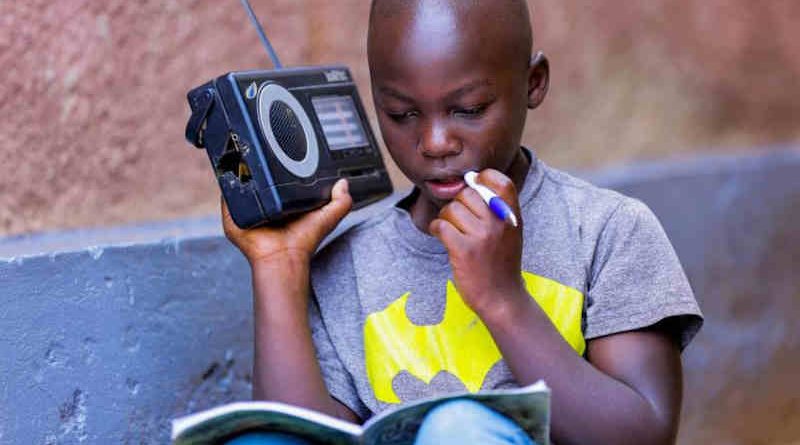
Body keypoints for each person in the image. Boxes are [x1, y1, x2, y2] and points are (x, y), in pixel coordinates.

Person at [221, 0, 703, 444]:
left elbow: (643, 435)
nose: (434, 142)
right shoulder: (348, 265)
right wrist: (279, 267)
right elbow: (301, 437)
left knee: (458, 429)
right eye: (401, 113)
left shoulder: (607, 231)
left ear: (533, 83)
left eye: (468, 110)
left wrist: (502, 299)